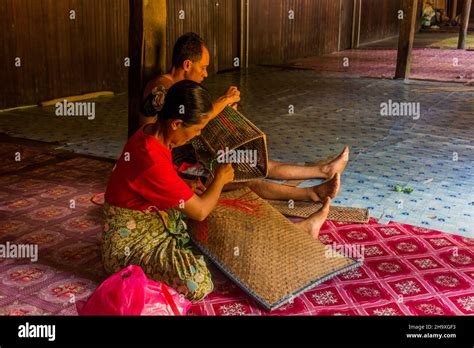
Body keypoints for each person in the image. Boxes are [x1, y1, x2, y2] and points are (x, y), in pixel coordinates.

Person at [102, 80, 332, 302]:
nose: (198, 134)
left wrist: (225, 100)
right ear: (176, 123)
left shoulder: (153, 131)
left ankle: (295, 231)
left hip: (156, 218)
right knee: (198, 281)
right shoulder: (151, 158)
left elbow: (198, 122)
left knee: (221, 214)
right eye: (197, 129)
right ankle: (293, 234)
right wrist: (220, 179)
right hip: (131, 245)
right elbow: (200, 211)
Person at [140, 32, 348, 202]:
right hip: (173, 166)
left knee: (256, 161)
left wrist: (227, 111)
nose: (205, 74)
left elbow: (198, 122)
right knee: (248, 177)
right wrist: (223, 101)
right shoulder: (163, 86)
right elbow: (194, 121)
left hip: (190, 154)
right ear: (187, 65)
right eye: (203, 68)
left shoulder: (184, 89)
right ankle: (312, 193)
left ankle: (324, 169)